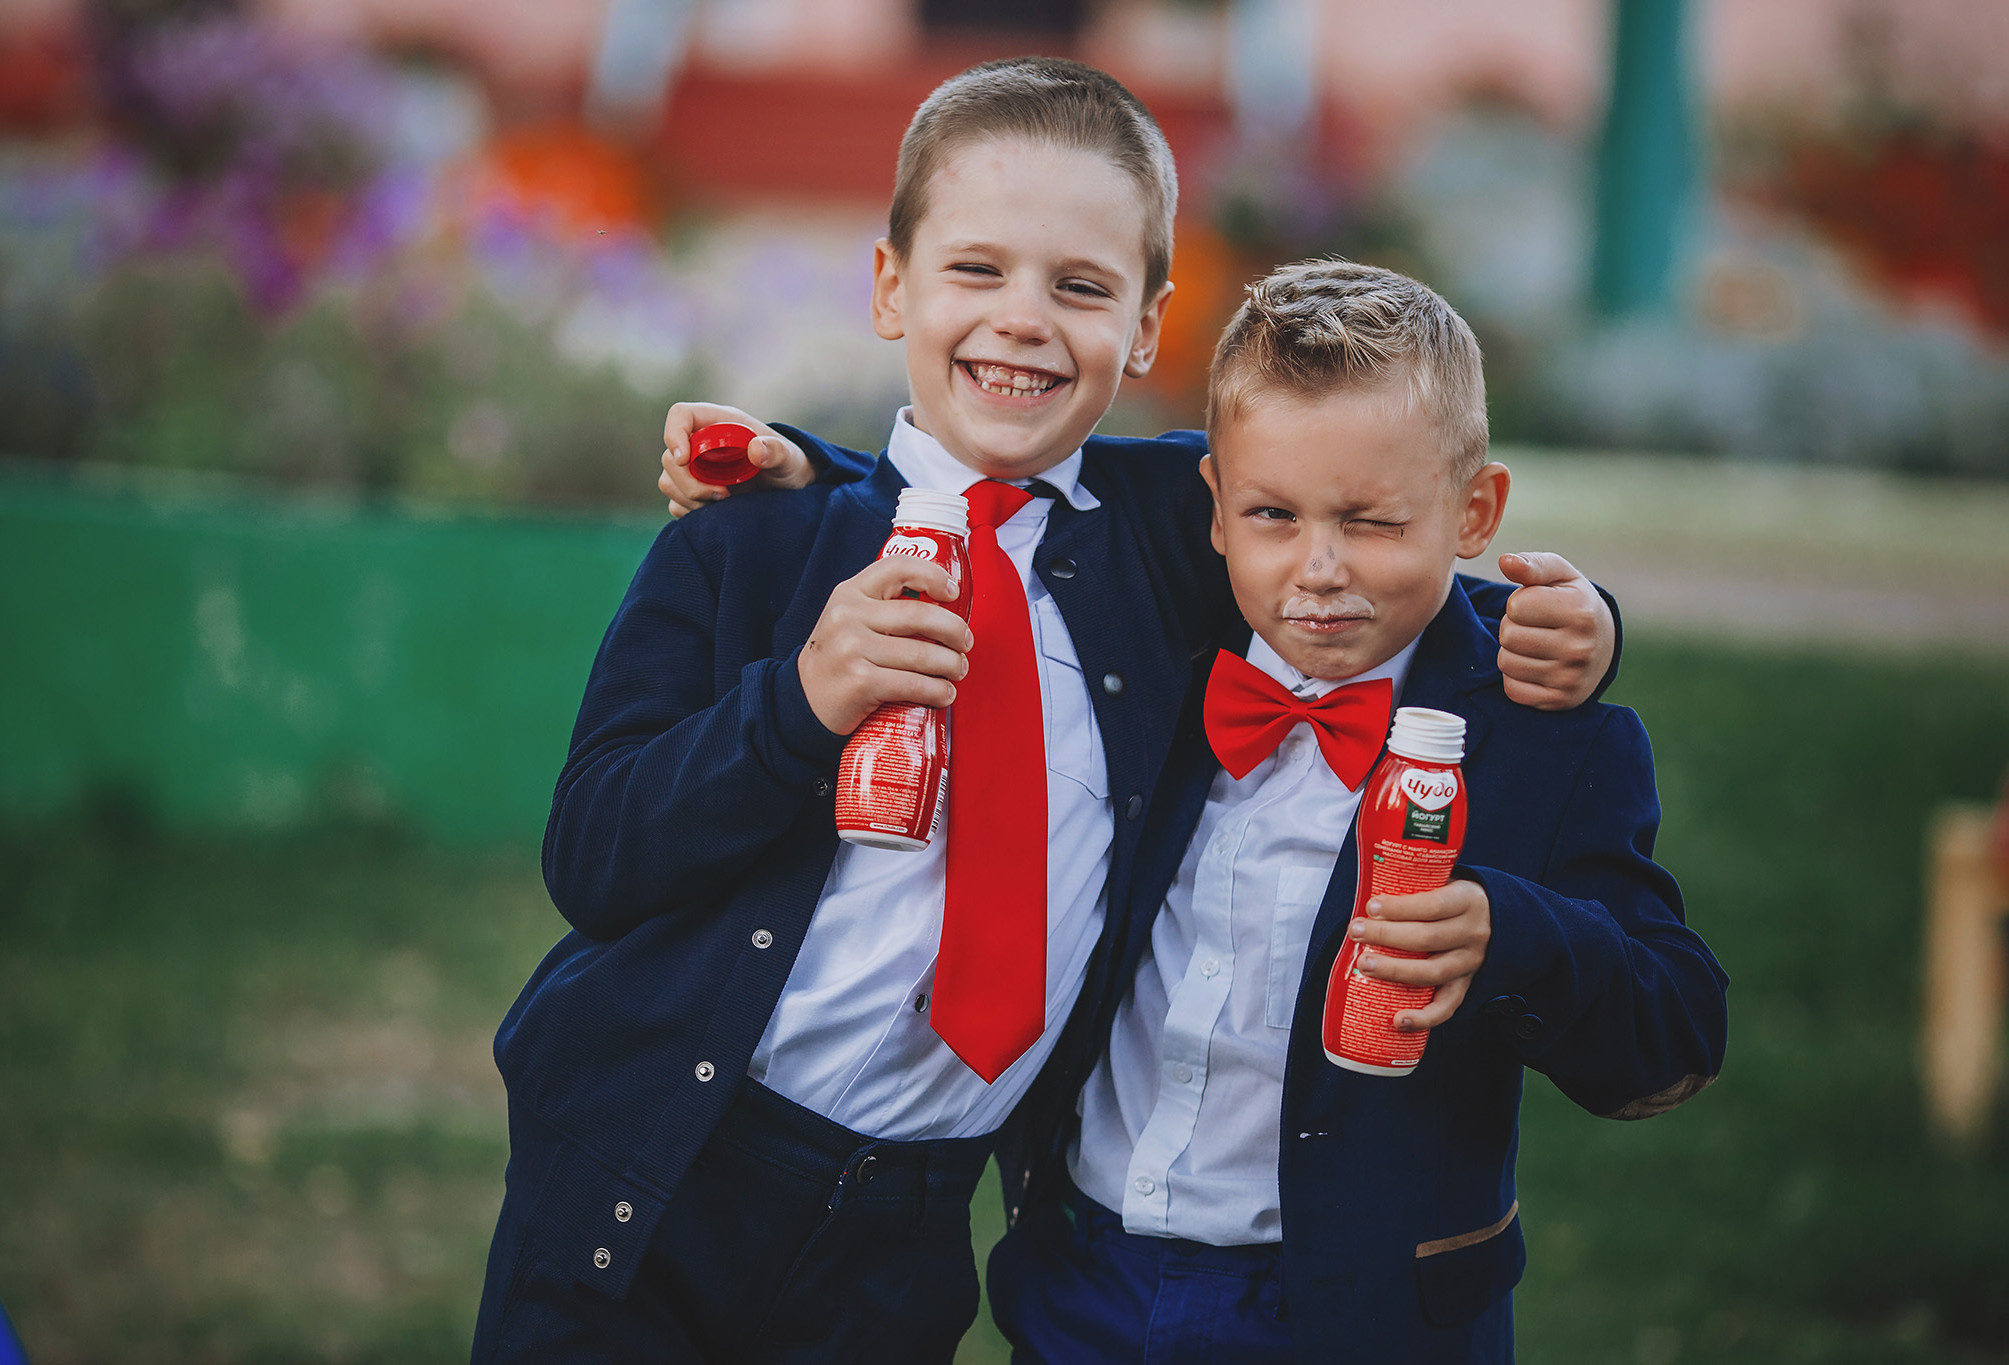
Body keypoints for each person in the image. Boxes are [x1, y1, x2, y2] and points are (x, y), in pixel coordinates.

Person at [475, 60, 1617, 1364]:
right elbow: (594, 855)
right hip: (653, 1167)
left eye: (1079, 287)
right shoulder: (750, 544)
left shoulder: (1171, 537)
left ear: (1146, 327)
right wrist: (798, 703)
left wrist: (1582, 621)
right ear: (891, 286)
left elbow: (1370, 551)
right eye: (975, 270)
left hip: (908, 1223)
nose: (1022, 320)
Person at [982, 259, 1729, 1364]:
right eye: (1272, 515)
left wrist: (1513, 933)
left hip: (1354, 1315)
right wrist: (799, 469)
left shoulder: (1546, 737)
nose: (1319, 568)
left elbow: (1675, 1035)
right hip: (1085, 1281)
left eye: (1372, 522)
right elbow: (1001, 479)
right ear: (1217, 512)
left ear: (1473, 512)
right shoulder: (1157, 654)